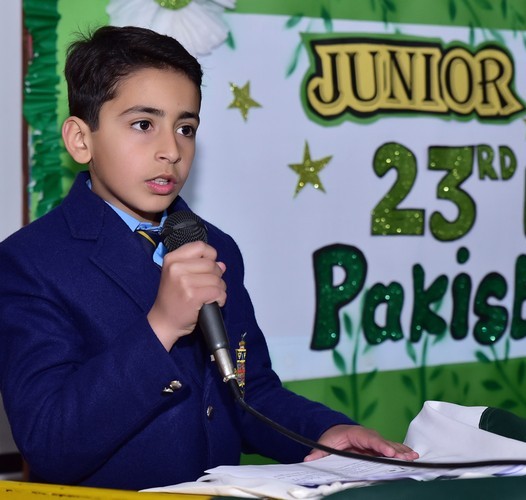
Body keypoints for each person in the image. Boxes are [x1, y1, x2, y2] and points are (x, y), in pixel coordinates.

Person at [0, 26, 417, 490]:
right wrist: (161, 326)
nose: (171, 151)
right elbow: (49, 442)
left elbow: (247, 390)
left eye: (186, 129)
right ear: (81, 139)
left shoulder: (213, 246)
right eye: (143, 124)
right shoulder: (29, 262)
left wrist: (323, 432)